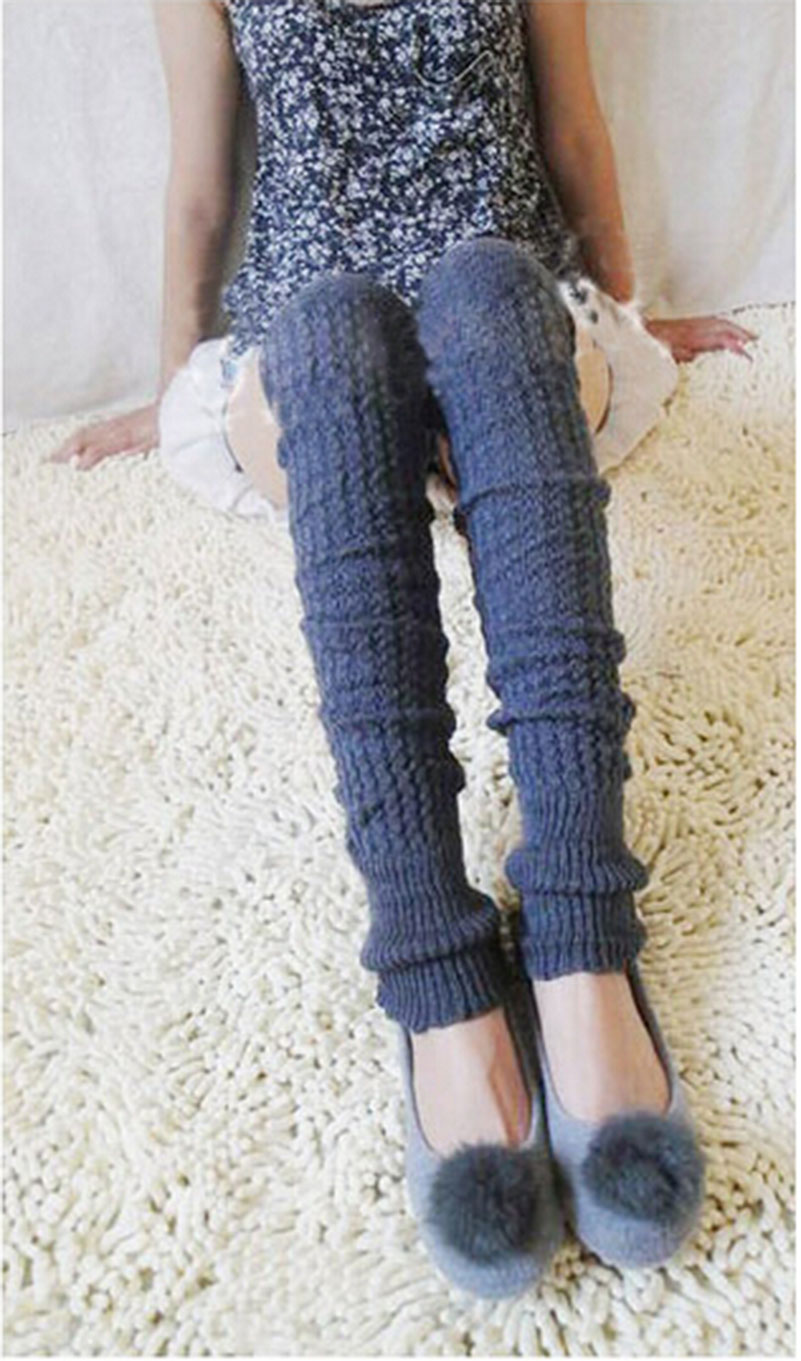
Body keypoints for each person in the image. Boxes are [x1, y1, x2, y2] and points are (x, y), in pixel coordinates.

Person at [51, 0, 756, 1289]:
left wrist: (630, 313)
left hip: (518, 337)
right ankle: (437, 967)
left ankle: (582, 935)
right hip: (310, 370)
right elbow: (202, 188)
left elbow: (571, 127)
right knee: (334, 326)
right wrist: (169, 390)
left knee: (488, 290)